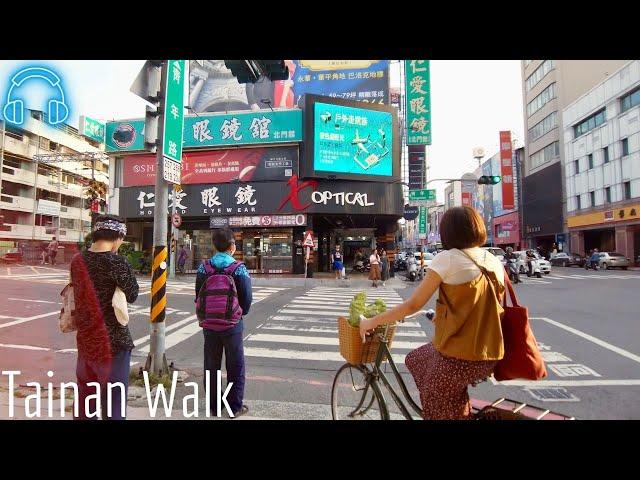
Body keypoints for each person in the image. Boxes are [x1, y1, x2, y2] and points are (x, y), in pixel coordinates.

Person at [359, 206, 505, 420]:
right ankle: (450, 404)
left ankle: (442, 407)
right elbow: (484, 306)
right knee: (415, 358)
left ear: (448, 232)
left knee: (436, 400)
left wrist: (371, 322)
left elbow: (413, 305)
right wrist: (447, 316)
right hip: (491, 352)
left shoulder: (448, 259)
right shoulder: (492, 260)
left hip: (461, 356)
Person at [70, 215, 139, 420]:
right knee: (113, 404)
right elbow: (133, 294)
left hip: (86, 342)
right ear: (118, 236)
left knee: (85, 402)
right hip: (114, 344)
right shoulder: (117, 262)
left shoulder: (77, 260)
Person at [196, 228, 252, 418]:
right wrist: (238, 313)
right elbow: (246, 299)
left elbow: (198, 295)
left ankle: (214, 406)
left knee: (211, 366)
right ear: (232, 247)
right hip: (232, 325)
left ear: (214, 245)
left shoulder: (204, 267)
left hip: (209, 325)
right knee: (235, 367)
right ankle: (234, 407)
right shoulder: (239, 268)